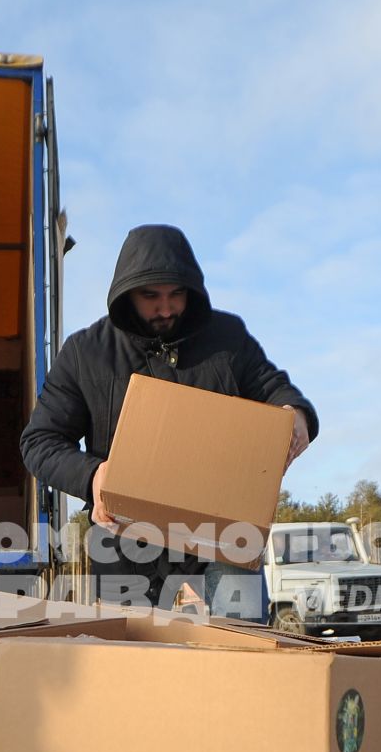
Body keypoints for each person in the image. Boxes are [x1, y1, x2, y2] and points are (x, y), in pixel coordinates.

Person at [20, 224, 316, 608]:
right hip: (123, 540)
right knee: (129, 659)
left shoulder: (226, 338)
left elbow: (272, 387)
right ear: (126, 294)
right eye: (151, 296)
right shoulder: (84, 352)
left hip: (220, 537)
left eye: (176, 295)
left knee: (245, 653)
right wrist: (93, 476)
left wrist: (297, 414)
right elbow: (39, 442)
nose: (165, 308)